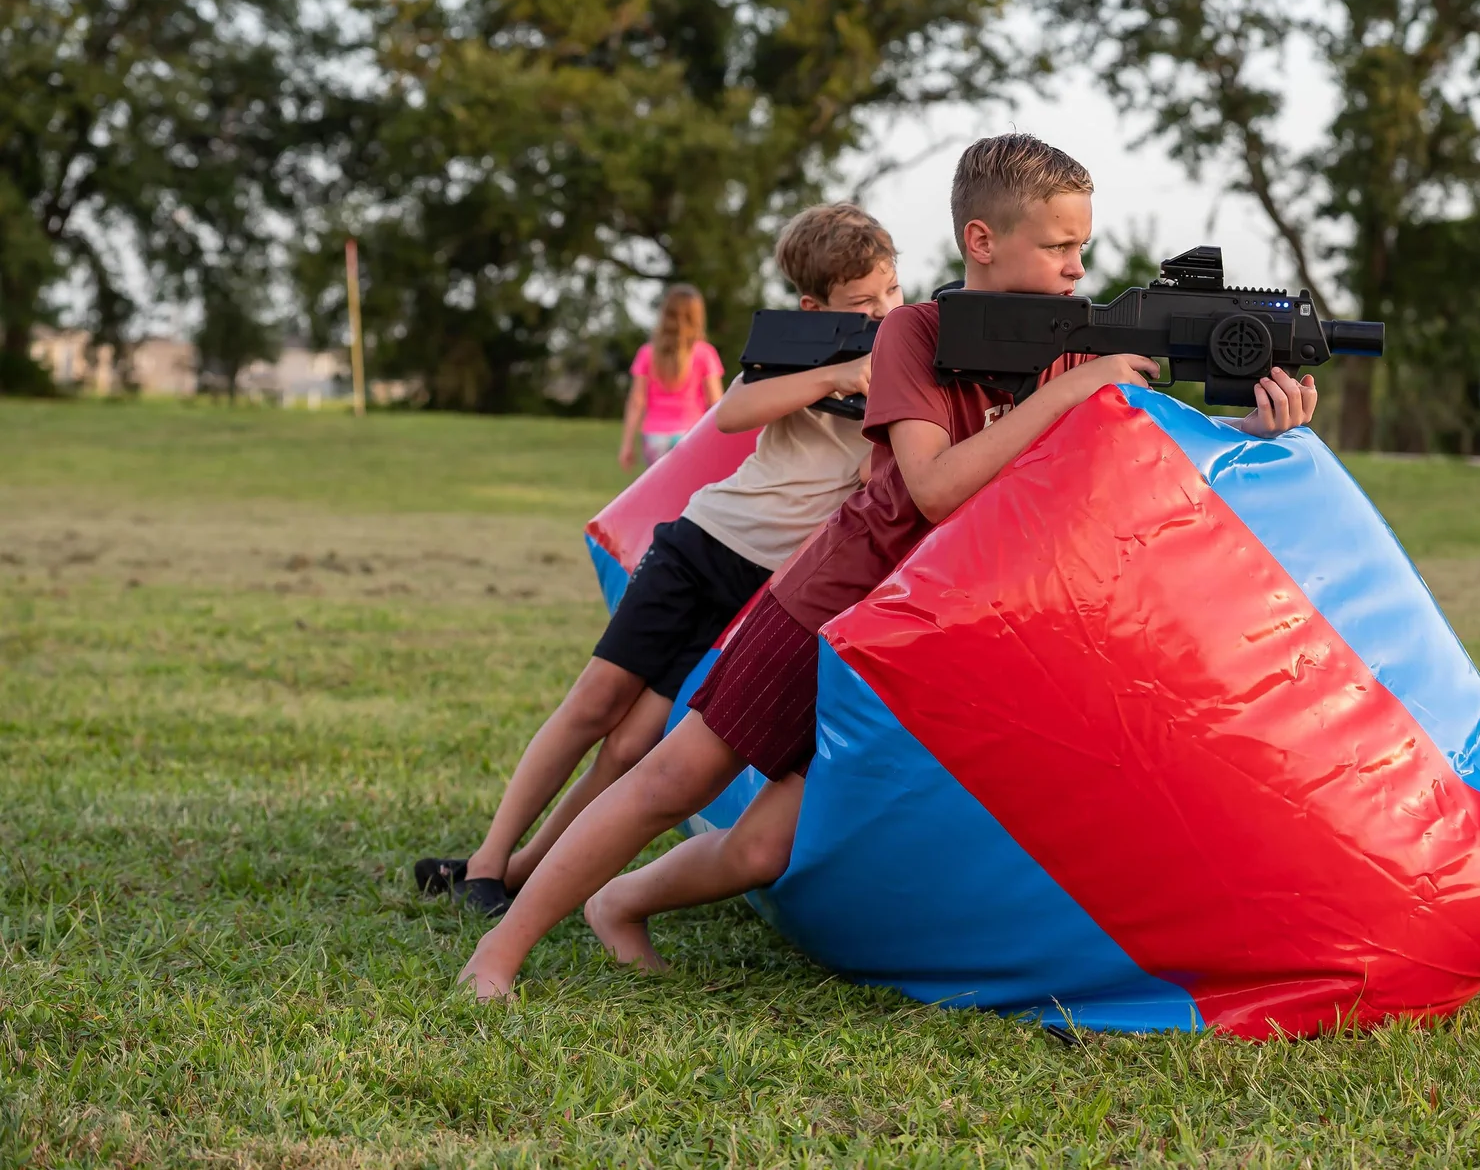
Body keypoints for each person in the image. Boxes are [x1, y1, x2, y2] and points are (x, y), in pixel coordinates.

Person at [457, 134, 1320, 997]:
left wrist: (1263, 427)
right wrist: (1071, 390)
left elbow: (1150, 453)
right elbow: (935, 486)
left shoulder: (1078, 352)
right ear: (982, 240)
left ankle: (619, 902)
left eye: (1079, 247)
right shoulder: (916, 331)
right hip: (833, 602)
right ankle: (497, 953)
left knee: (764, 848)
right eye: (1058, 245)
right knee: (675, 777)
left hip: (933, 637)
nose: (1075, 266)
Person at [413, 204, 903, 915]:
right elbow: (735, 413)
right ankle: (489, 861)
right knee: (595, 704)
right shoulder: (808, 349)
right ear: (815, 307)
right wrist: (839, 376)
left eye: (892, 292)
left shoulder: (905, 358)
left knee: (635, 742)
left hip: (764, 584)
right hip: (704, 545)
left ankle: (522, 869)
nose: (885, 310)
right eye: (864, 302)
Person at [619, 284, 725, 470]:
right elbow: (716, 402)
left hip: (654, 436)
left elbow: (637, 401)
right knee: (689, 495)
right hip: (691, 434)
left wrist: (627, 444)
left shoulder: (647, 353)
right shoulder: (704, 354)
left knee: (660, 493)